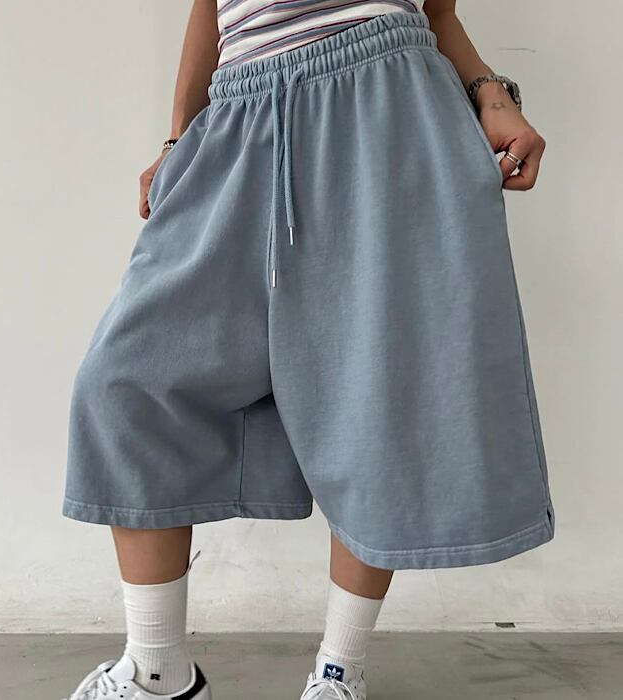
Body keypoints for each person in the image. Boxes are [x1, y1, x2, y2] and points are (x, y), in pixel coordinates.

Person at [61, 1, 555, 698]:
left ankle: (338, 671)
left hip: (384, 96)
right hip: (235, 117)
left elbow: (437, 10)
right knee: (124, 384)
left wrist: (492, 95)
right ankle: (157, 671)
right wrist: (178, 140)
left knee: (370, 386)